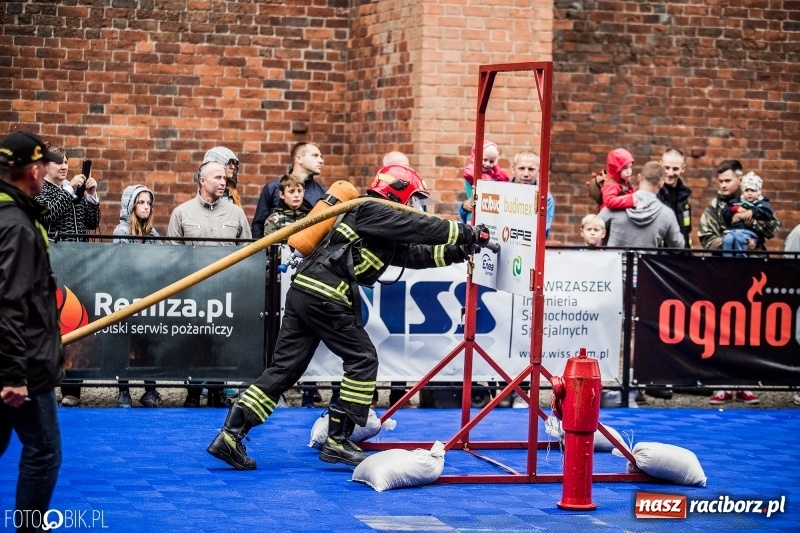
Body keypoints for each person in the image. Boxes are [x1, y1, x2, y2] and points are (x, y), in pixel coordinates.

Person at [206, 163, 493, 469]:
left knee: (284, 369)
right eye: (412, 198)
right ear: (399, 192)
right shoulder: (374, 209)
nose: (414, 206)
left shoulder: (378, 222)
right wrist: (468, 231)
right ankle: (338, 440)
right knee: (362, 358)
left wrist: (461, 250)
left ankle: (230, 435)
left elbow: (413, 254)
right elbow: (421, 227)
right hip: (325, 294)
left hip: (306, 290)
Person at [0, 132, 65, 529]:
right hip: (21, 364)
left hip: (19, 356)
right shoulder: (17, 226)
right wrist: (12, 373)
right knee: (43, 451)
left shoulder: (14, 214)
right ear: (32, 170)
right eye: (42, 165)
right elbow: (8, 303)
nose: (45, 173)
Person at [168, 160, 252, 407]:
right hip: (193, 293)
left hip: (227, 291)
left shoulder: (236, 214)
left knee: (223, 341)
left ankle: (217, 391)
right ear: (202, 181)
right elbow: (172, 256)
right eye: (217, 177)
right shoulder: (182, 213)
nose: (223, 181)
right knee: (194, 341)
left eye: (224, 178)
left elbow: (247, 251)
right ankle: (192, 391)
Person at [34, 146, 100, 407]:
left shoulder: (75, 191)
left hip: (79, 267)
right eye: (57, 162)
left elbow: (91, 222)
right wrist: (71, 191)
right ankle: (45, 383)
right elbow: (47, 216)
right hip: (53, 268)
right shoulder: (41, 191)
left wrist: (92, 196)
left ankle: (73, 387)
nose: (63, 166)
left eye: (66, 162)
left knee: (77, 327)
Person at [698, 160, 767, 405]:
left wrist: (753, 241)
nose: (723, 185)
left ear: (739, 180)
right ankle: (722, 386)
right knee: (721, 331)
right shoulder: (714, 207)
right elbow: (706, 238)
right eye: (721, 181)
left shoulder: (758, 200)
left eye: (728, 180)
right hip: (722, 277)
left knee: (748, 331)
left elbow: (771, 228)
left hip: (750, 279)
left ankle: (745, 384)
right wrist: (732, 241)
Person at [112, 185, 163, 407]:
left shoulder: (153, 234)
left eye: (148, 203)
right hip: (126, 294)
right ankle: (123, 391)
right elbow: (121, 264)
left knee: (147, 342)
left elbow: (162, 262)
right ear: (130, 206)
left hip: (148, 295)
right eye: (140, 202)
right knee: (125, 342)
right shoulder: (121, 232)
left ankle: (150, 390)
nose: (145, 207)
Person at [599, 162, 685, 250]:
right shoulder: (667, 214)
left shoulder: (614, 206)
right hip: (646, 263)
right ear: (661, 184)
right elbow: (678, 247)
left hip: (615, 263)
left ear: (639, 177)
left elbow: (593, 230)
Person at [251, 142, 326, 239]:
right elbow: (258, 226)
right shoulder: (273, 188)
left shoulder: (322, 192)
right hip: (275, 250)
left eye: (321, 156)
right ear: (299, 159)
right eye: (315, 155)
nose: (321, 161)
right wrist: (260, 253)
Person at [721, 171, 779, 256]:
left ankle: (741, 261)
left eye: (753, 190)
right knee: (727, 240)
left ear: (758, 191)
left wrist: (753, 211)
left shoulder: (762, 204)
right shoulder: (736, 202)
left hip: (751, 233)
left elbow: (767, 213)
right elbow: (725, 213)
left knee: (740, 239)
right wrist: (734, 209)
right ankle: (728, 262)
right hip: (734, 231)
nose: (749, 193)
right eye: (746, 190)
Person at [459, 140, 510, 223]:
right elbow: (471, 175)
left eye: (491, 161)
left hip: (491, 213)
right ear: (476, 157)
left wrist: (496, 170)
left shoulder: (495, 175)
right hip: (473, 215)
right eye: (484, 160)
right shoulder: (471, 172)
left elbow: (503, 182)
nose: (487, 164)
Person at [511, 151, 555, 237]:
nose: (526, 174)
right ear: (513, 169)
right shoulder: (502, 190)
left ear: (539, 171)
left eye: (531, 169)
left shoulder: (546, 198)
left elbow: (542, 232)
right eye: (521, 168)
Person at [657, 148, 692, 248]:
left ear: (683, 168)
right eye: (667, 168)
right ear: (660, 165)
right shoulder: (654, 193)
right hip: (658, 257)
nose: (670, 173)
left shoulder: (684, 196)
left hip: (681, 255)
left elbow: (686, 228)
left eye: (675, 169)